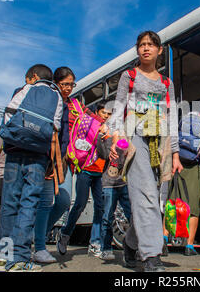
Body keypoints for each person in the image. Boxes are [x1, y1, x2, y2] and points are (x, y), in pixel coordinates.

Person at [107, 30, 183, 272]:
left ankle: (131, 243)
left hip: (159, 142)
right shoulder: (128, 76)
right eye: (141, 45)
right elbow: (118, 109)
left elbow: (171, 119)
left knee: (153, 197)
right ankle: (151, 255)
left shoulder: (166, 83)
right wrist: (117, 137)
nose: (146, 48)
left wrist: (175, 153)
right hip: (135, 139)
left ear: (160, 50)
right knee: (147, 194)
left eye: (151, 45)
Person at [0, 64, 63, 272]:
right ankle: (20, 259)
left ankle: (2, 259)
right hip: (38, 159)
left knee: (9, 204)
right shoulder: (57, 97)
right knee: (28, 205)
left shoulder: (24, 90)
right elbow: (54, 131)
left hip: (14, 154)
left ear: (33, 77)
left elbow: (8, 116)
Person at [56, 101, 110, 257]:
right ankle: (65, 235)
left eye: (108, 114)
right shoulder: (90, 126)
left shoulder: (107, 129)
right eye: (103, 113)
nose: (105, 116)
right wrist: (100, 134)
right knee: (80, 204)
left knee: (100, 207)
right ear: (96, 113)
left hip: (99, 173)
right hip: (85, 170)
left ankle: (95, 243)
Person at [32, 66, 74, 264]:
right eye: (65, 84)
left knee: (64, 202)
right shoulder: (52, 99)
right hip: (50, 158)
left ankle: (39, 233)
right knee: (45, 202)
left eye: (71, 84)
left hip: (65, 160)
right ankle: (39, 244)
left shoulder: (75, 105)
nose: (68, 88)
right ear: (56, 83)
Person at [163, 112, 200, 256]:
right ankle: (189, 246)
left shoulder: (180, 125)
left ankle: (164, 238)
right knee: (193, 208)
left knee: (172, 202)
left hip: (177, 164)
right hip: (195, 168)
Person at [95, 110, 132, 261]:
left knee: (132, 215)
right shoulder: (105, 136)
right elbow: (103, 155)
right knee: (107, 217)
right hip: (109, 183)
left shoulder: (126, 133)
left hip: (124, 181)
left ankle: (131, 246)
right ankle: (106, 248)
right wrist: (102, 139)